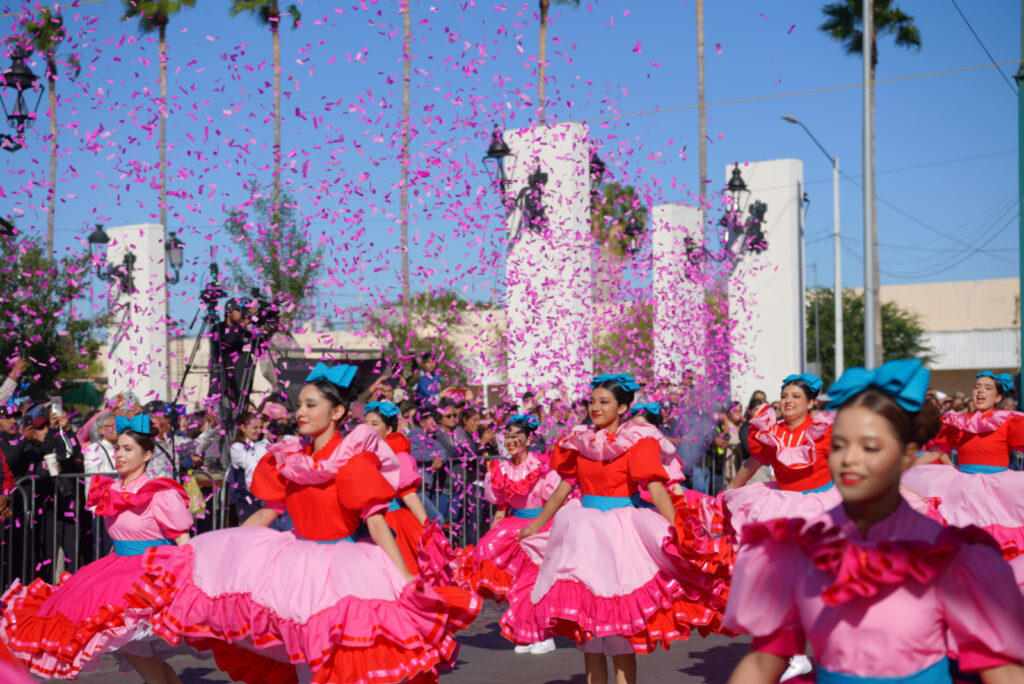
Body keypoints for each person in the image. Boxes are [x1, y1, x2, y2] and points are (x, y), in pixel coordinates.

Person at [136, 363, 481, 684]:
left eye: (310, 405)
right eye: (299, 404)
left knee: (338, 663)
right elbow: (265, 514)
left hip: (345, 573)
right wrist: (214, 556)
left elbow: (376, 524)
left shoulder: (354, 460)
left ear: (338, 412)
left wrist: (405, 576)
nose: (300, 412)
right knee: (305, 661)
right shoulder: (289, 458)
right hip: (293, 568)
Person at [724, 359, 1024, 684]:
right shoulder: (792, 551)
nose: (850, 459)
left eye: (870, 446)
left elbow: (1001, 672)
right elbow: (761, 665)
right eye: (839, 445)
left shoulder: (956, 558)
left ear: (908, 454)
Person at [503, 374, 726, 684]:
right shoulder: (578, 440)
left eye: (604, 402)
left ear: (623, 408)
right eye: (592, 401)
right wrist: (536, 525)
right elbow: (563, 489)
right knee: (589, 635)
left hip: (623, 534)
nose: (595, 407)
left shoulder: (637, 440)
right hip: (584, 536)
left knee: (621, 632)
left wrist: (679, 528)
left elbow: (656, 488)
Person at [1, 415, 194, 682]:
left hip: (149, 577)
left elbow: (184, 543)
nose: (120, 454)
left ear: (147, 455)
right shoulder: (113, 488)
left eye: (128, 449)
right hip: (115, 572)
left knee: (139, 651)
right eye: (119, 448)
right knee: (142, 654)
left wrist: (190, 586)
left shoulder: (160, 493)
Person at [901, 371, 1024, 572]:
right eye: (977, 387)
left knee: (996, 535)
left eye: (987, 388)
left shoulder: (1008, 421)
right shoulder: (958, 422)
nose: (980, 391)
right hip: (961, 486)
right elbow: (934, 454)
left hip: (996, 487)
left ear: (998, 397)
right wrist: (902, 470)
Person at [466, 414, 564, 656]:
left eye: (516, 436)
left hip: (540, 525)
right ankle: (527, 631)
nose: (511, 441)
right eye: (508, 436)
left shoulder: (541, 468)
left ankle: (544, 633)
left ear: (529, 440)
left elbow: (555, 499)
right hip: (514, 525)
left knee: (536, 582)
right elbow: (499, 500)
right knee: (518, 583)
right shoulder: (502, 467)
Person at [363, 400, 445, 578]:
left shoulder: (396, 454)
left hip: (393, 523)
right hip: (365, 524)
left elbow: (409, 496)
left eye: (375, 424)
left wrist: (428, 531)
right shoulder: (360, 452)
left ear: (389, 429)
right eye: (365, 424)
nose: (368, 429)